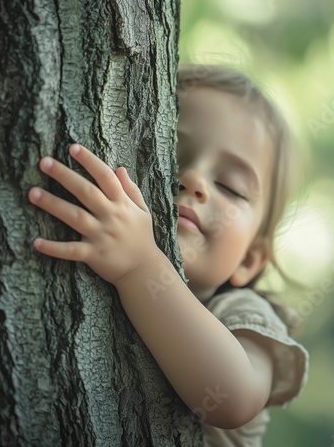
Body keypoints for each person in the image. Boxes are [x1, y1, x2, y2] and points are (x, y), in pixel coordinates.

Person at [28, 63, 309, 446]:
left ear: (249, 260)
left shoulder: (244, 316)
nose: (193, 179)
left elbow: (231, 399)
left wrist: (139, 265)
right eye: (173, 154)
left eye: (231, 186)